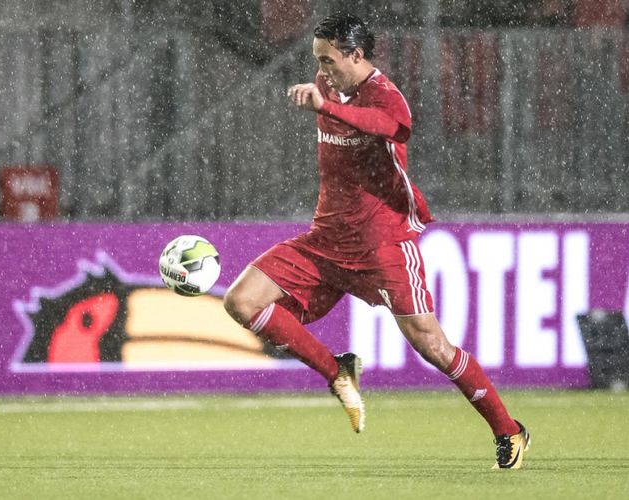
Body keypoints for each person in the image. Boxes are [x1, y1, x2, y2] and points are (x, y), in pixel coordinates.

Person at [224, 12, 531, 469]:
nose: (322, 70)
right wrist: (325, 98)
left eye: (329, 60)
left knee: (433, 345)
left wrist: (326, 107)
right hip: (326, 239)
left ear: (356, 55)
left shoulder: (386, 96)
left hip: (382, 244)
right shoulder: (326, 85)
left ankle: (509, 429)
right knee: (241, 302)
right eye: (318, 61)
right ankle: (337, 371)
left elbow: (393, 127)